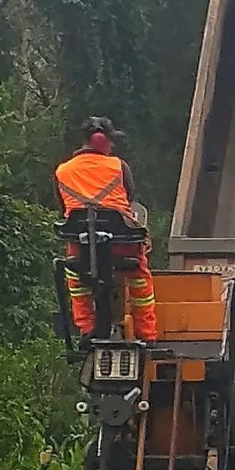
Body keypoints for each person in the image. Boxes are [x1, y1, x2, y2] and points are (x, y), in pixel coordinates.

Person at [55, 118, 158, 342]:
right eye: (111, 142)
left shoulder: (62, 171)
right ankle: (147, 334)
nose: (112, 147)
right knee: (140, 278)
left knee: (76, 280)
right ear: (102, 142)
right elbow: (129, 198)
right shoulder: (118, 166)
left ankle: (86, 328)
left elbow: (64, 207)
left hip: (81, 248)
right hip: (123, 246)